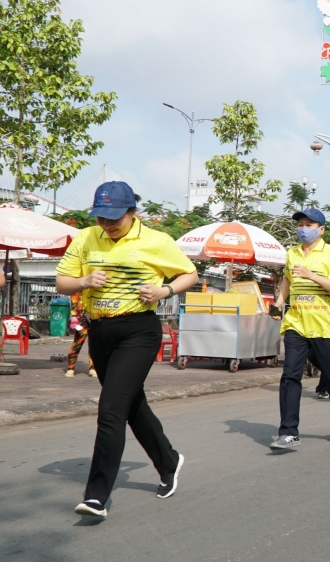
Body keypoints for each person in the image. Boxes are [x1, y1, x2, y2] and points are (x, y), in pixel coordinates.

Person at [55, 181, 200, 518]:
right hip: (101, 331)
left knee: (110, 409)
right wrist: (84, 282)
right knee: (130, 404)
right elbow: (62, 282)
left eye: (114, 218)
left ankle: (96, 496)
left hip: (139, 331)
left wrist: (164, 291)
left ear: (132, 213)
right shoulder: (86, 238)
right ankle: (169, 460)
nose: (107, 224)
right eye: (101, 218)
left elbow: (190, 274)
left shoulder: (156, 241)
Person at [268, 207, 330, 449]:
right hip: (296, 324)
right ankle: (288, 432)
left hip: (324, 326)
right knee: (290, 376)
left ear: (321, 230)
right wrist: (279, 303)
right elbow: (287, 280)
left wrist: (311, 274)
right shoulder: (292, 252)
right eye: (300, 224)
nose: (303, 229)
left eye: (308, 225)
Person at [65, 291, 97, 378]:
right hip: (81, 318)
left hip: (95, 317)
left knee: (94, 345)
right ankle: (70, 368)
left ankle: (93, 368)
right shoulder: (80, 284)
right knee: (78, 343)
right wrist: (74, 315)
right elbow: (74, 299)